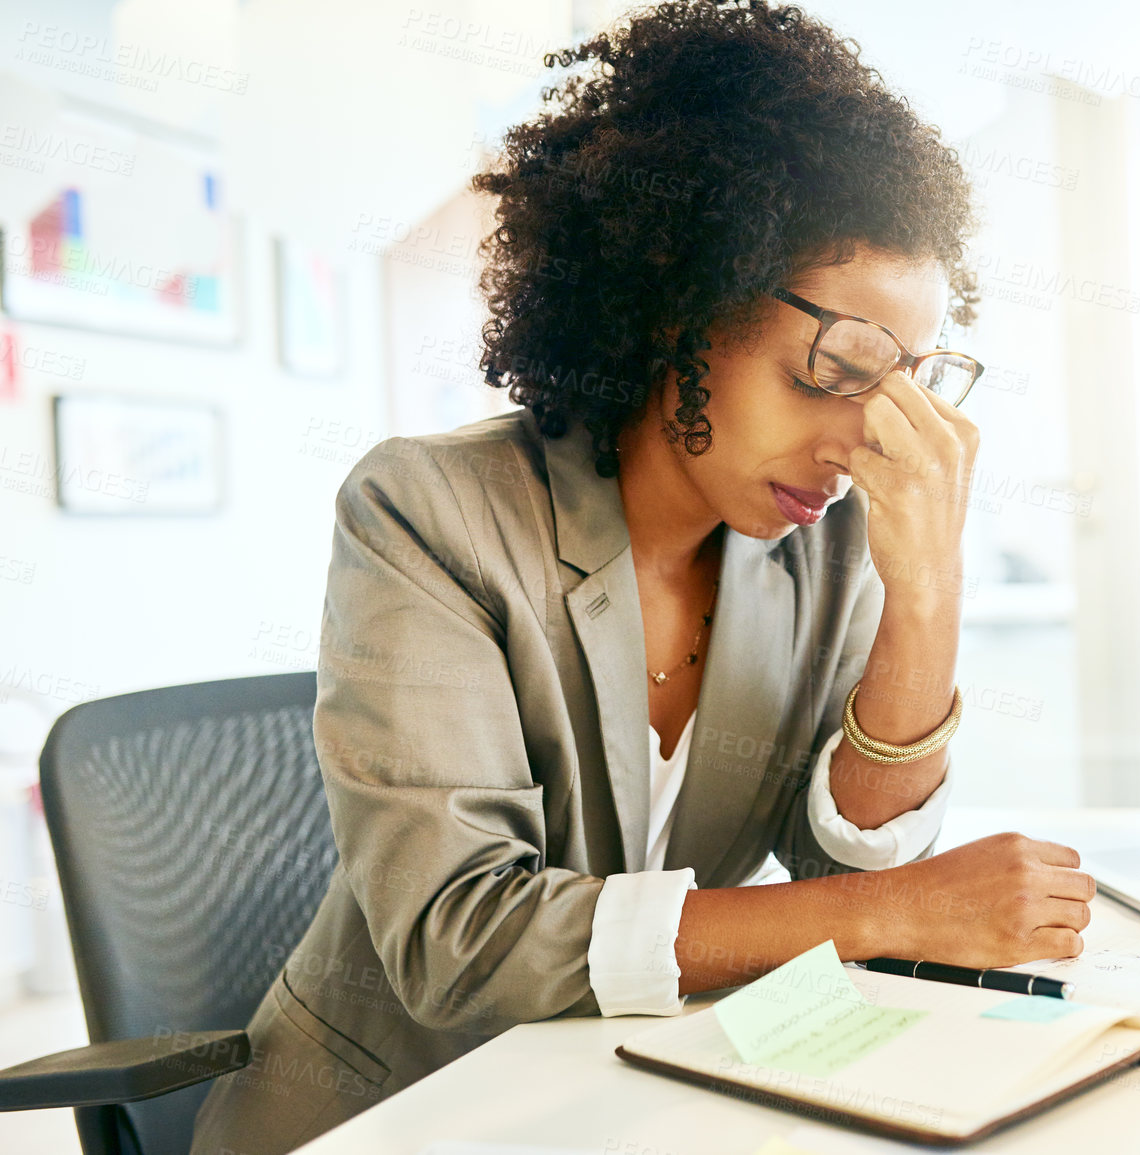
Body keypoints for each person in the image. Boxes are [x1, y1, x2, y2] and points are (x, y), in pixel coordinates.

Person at [191, 2, 1093, 1151]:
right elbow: (461, 940)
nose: (858, 439)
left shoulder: (816, 536)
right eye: (832, 372)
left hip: (639, 1093)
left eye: (904, 386)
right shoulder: (430, 511)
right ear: (679, 306)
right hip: (397, 1113)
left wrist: (927, 594)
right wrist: (889, 915)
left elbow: (837, 849)